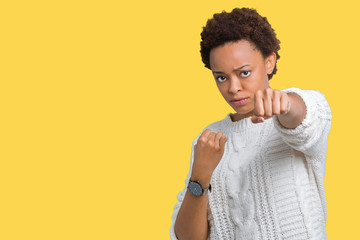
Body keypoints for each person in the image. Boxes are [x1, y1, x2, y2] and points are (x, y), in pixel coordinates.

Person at [170, 7, 332, 240]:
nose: (233, 88)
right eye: (221, 77)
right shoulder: (208, 139)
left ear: (269, 62)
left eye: (244, 73)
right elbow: (188, 238)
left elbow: (306, 118)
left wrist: (286, 104)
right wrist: (199, 177)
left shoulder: (296, 113)